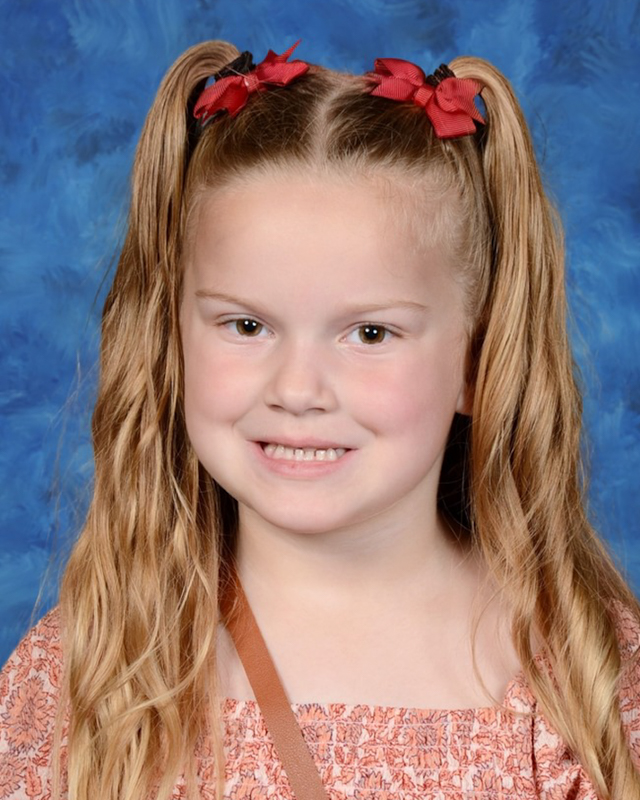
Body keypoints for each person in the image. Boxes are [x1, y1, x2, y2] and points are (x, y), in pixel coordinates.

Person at [0, 38, 639, 800]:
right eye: (246, 326)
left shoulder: (584, 680)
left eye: (370, 334)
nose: (298, 389)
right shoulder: (86, 677)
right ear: (172, 338)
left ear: (476, 360)